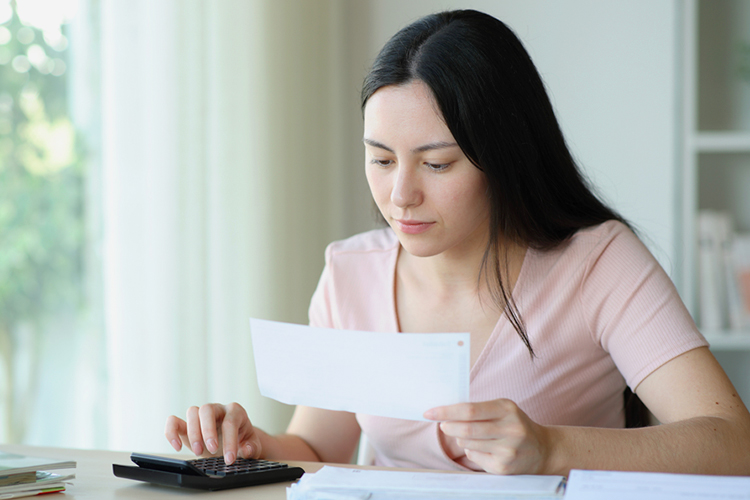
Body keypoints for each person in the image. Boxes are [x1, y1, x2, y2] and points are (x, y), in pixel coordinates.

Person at [165, 9, 750, 475]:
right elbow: (319, 449)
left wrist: (551, 450)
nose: (400, 195)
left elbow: (732, 443)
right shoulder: (352, 275)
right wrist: (251, 443)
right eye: (381, 159)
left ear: (503, 156)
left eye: (437, 165)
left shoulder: (598, 262)